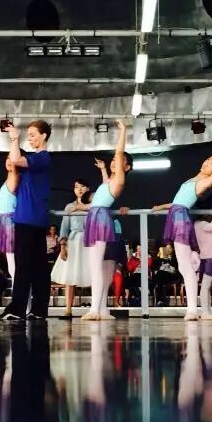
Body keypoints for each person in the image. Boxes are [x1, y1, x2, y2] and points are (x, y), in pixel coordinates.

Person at [153, 135, 212, 320]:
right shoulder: (193, 179)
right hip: (176, 215)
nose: (207, 163)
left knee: (185, 267)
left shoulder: (205, 182)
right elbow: (177, 201)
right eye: (208, 159)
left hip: (180, 218)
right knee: (184, 266)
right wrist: (160, 207)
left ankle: (192, 310)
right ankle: (193, 310)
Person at [0, 119, 52, 321]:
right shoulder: (36, 159)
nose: (29, 138)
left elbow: (15, 161)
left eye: (32, 135)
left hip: (28, 218)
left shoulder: (42, 157)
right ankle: (38, 310)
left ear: (43, 136)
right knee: (38, 266)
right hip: (34, 218)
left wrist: (14, 139)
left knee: (24, 266)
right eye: (28, 135)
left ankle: (17, 309)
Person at [78, 121, 131, 321]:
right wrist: (102, 169)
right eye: (114, 160)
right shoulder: (110, 181)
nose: (114, 161)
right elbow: (104, 184)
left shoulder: (119, 180)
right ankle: (101, 310)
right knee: (97, 266)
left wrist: (123, 131)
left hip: (99, 217)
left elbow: (119, 152)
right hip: (97, 216)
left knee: (95, 265)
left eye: (119, 160)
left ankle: (94, 310)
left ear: (126, 167)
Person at [50, 178, 92, 318]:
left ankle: (95, 309)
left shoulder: (93, 205)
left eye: (82, 186)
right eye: (76, 187)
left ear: (88, 188)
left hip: (90, 241)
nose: (79, 189)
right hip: (74, 241)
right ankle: (68, 309)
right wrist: (63, 246)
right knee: (70, 276)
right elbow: (64, 226)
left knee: (93, 274)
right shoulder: (69, 206)